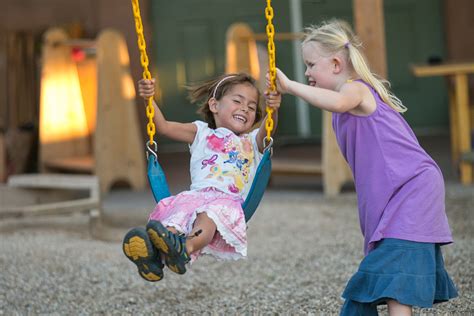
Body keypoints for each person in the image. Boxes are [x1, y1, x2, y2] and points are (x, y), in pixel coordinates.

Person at [272, 19, 458, 315]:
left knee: (392, 275)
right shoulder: (343, 101)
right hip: (397, 192)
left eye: (310, 65)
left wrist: (290, 87)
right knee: (391, 277)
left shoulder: (355, 91)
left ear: (335, 63)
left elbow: (337, 103)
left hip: (413, 188)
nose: (306, 72)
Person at [123, 73, 281, 282]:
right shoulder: (201, 132)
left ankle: (185, 249)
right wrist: (149, 98)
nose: (245, 108)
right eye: (237, 101)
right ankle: (154, 257)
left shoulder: (252, 142)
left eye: (252, 107)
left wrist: (274, 108)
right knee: (175, 217)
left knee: (209, 216)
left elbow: (269, 127)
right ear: (214, 105)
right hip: (196, 196)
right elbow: (164, 127)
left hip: (227, 202)